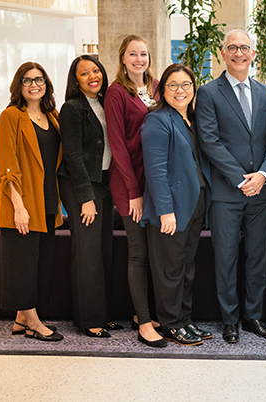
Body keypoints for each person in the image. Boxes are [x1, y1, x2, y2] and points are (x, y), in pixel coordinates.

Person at [195, 29, 266, 344]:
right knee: (226, 258)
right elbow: (209, 140)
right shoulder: (208, 92)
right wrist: (241, 178)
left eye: (244, 47)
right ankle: (230, 320)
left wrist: (263, 175)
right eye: (232, 47)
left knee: (258, 256)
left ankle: (253, 316)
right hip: (226, 193)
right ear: (223, 53)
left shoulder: (265, 93)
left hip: (261, 192)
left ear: (253, 53)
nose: (238, 53)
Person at [141, 64, 213, 346]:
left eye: (185, 85)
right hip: (170, 210)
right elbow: (155, 170)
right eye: (173, 85)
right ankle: (171, 324)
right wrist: (165, 211)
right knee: (169, 270)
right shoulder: (157, 121)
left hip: (194, 205)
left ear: (193, 89)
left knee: (186, 268)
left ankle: (185, 319)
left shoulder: (192, 119)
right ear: (162, 90)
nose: (180, 90)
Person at [104, 34, 165, 347]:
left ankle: (146, 313)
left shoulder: (157, 87)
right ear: (123, 59)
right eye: (133, 54)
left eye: (143, 54)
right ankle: (143, 321)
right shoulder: (116, 93)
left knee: (155, 253)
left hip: (156, 182)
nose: (139, 59)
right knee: (138, 253)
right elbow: (117, 145)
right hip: (131, 185)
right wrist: (133, 192)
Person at [0, 62, 63, 341]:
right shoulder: (10, 116)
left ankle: (21, 319)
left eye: (39, 79)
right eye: (27, 80)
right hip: (23, 203)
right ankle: (34, 322)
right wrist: (18, 206)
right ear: (19, 86)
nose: (34, 84)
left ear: (46, 83)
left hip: (48, 200)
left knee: (40, 263)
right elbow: (7, 166)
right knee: (23, 264)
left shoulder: (54, 115)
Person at [59, 55, 117, 338]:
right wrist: (85, 198)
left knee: (104, 248)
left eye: (95, 71)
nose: (92, 76)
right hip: (80, 185)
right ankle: (89, 320)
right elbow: (72, 156)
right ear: (76, 79)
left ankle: (102, 315)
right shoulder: (71, 108)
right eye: (84, 74)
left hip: (104, 182)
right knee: (88, 252)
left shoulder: (105, 103)